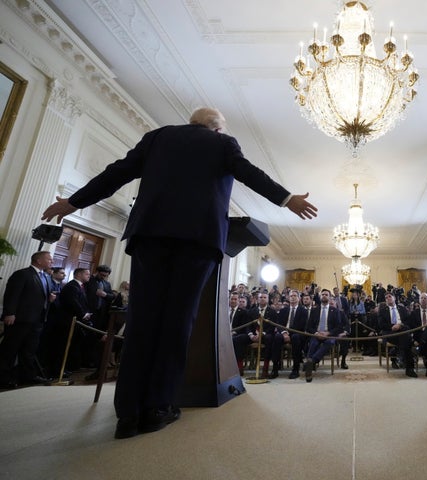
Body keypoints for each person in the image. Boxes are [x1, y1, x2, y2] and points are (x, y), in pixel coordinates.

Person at [41, 107, 318, 439]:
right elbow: (250, 173)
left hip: (150, 237)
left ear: (192, 123)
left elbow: (116, 173)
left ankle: (127, 414)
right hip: (197, 241)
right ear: (217, 130)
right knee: (176, 323)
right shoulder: (223, 144)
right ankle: (158, 407)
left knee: (142, 322)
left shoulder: (157, 137)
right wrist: (288, 200)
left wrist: (73, 202)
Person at [0, 251, 54, 389]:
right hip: (19, 320)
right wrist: (9, 313)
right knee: (10, 350)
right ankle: (4, 378)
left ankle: (27, 376)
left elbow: (41, 296)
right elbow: (12, 295)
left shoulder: (46, 277)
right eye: (49, 259)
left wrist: (50, 299)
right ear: (38, 260)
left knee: (29, 351)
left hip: (37, 321)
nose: (51, 262)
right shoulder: (22, 274)